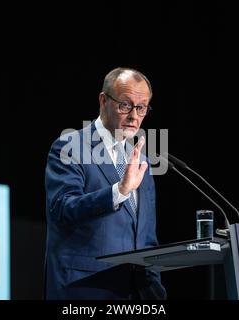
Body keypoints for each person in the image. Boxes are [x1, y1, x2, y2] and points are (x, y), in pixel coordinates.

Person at [44, 67, 166, 299]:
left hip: (135, 294)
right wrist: (119, 191)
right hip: (85, 287)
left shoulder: (141, 162)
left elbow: (146, 236)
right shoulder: (71, 146)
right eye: (125, 105)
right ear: (103, 100)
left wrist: (154, 288)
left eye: (141, 108)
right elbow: (63, 209)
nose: (134, 116)